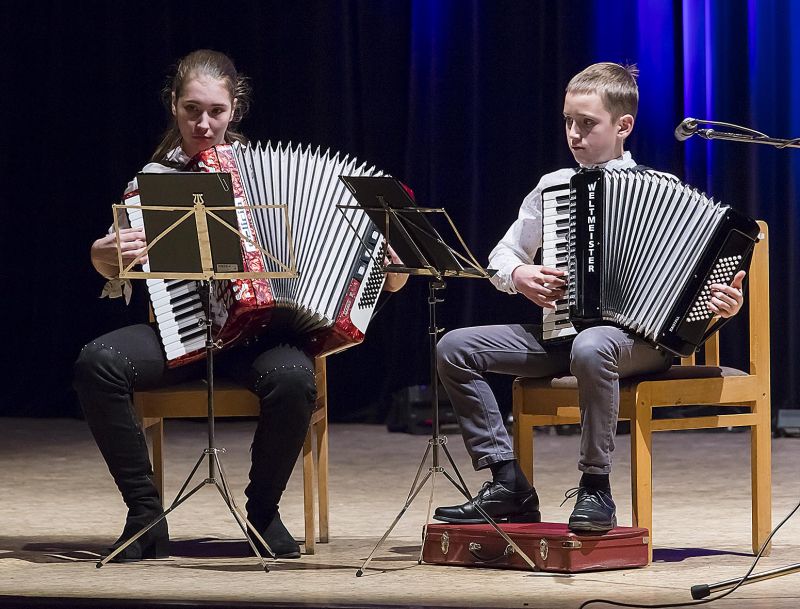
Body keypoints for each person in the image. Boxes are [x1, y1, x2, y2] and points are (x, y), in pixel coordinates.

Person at [75, 49, 407, 562]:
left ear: (235, 109)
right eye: (191, 110)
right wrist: (103, 255)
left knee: (294, 379)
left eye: (216, 111)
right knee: (98, 363)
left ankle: (262, 512)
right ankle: (144, 515)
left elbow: (390, 278)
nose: (204, 124)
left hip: (262, 337)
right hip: (183, 331)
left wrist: (390, 270)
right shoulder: (153, 181)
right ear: (173, 106)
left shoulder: (264, 172)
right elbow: (119, 261)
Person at [434, 62, 746, 532]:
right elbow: (504, 251)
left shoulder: (665, 190)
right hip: (562, 336)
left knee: (593, 343)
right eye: (567, 122)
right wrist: (518, 273)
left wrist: (723, 308)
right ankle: (507, 480)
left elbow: (702, 292)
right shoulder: (553, 186)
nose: (573, 134)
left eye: (587, 123)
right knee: (454, 348)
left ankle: (596, 486)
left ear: (624, 126)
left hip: (638, 345)